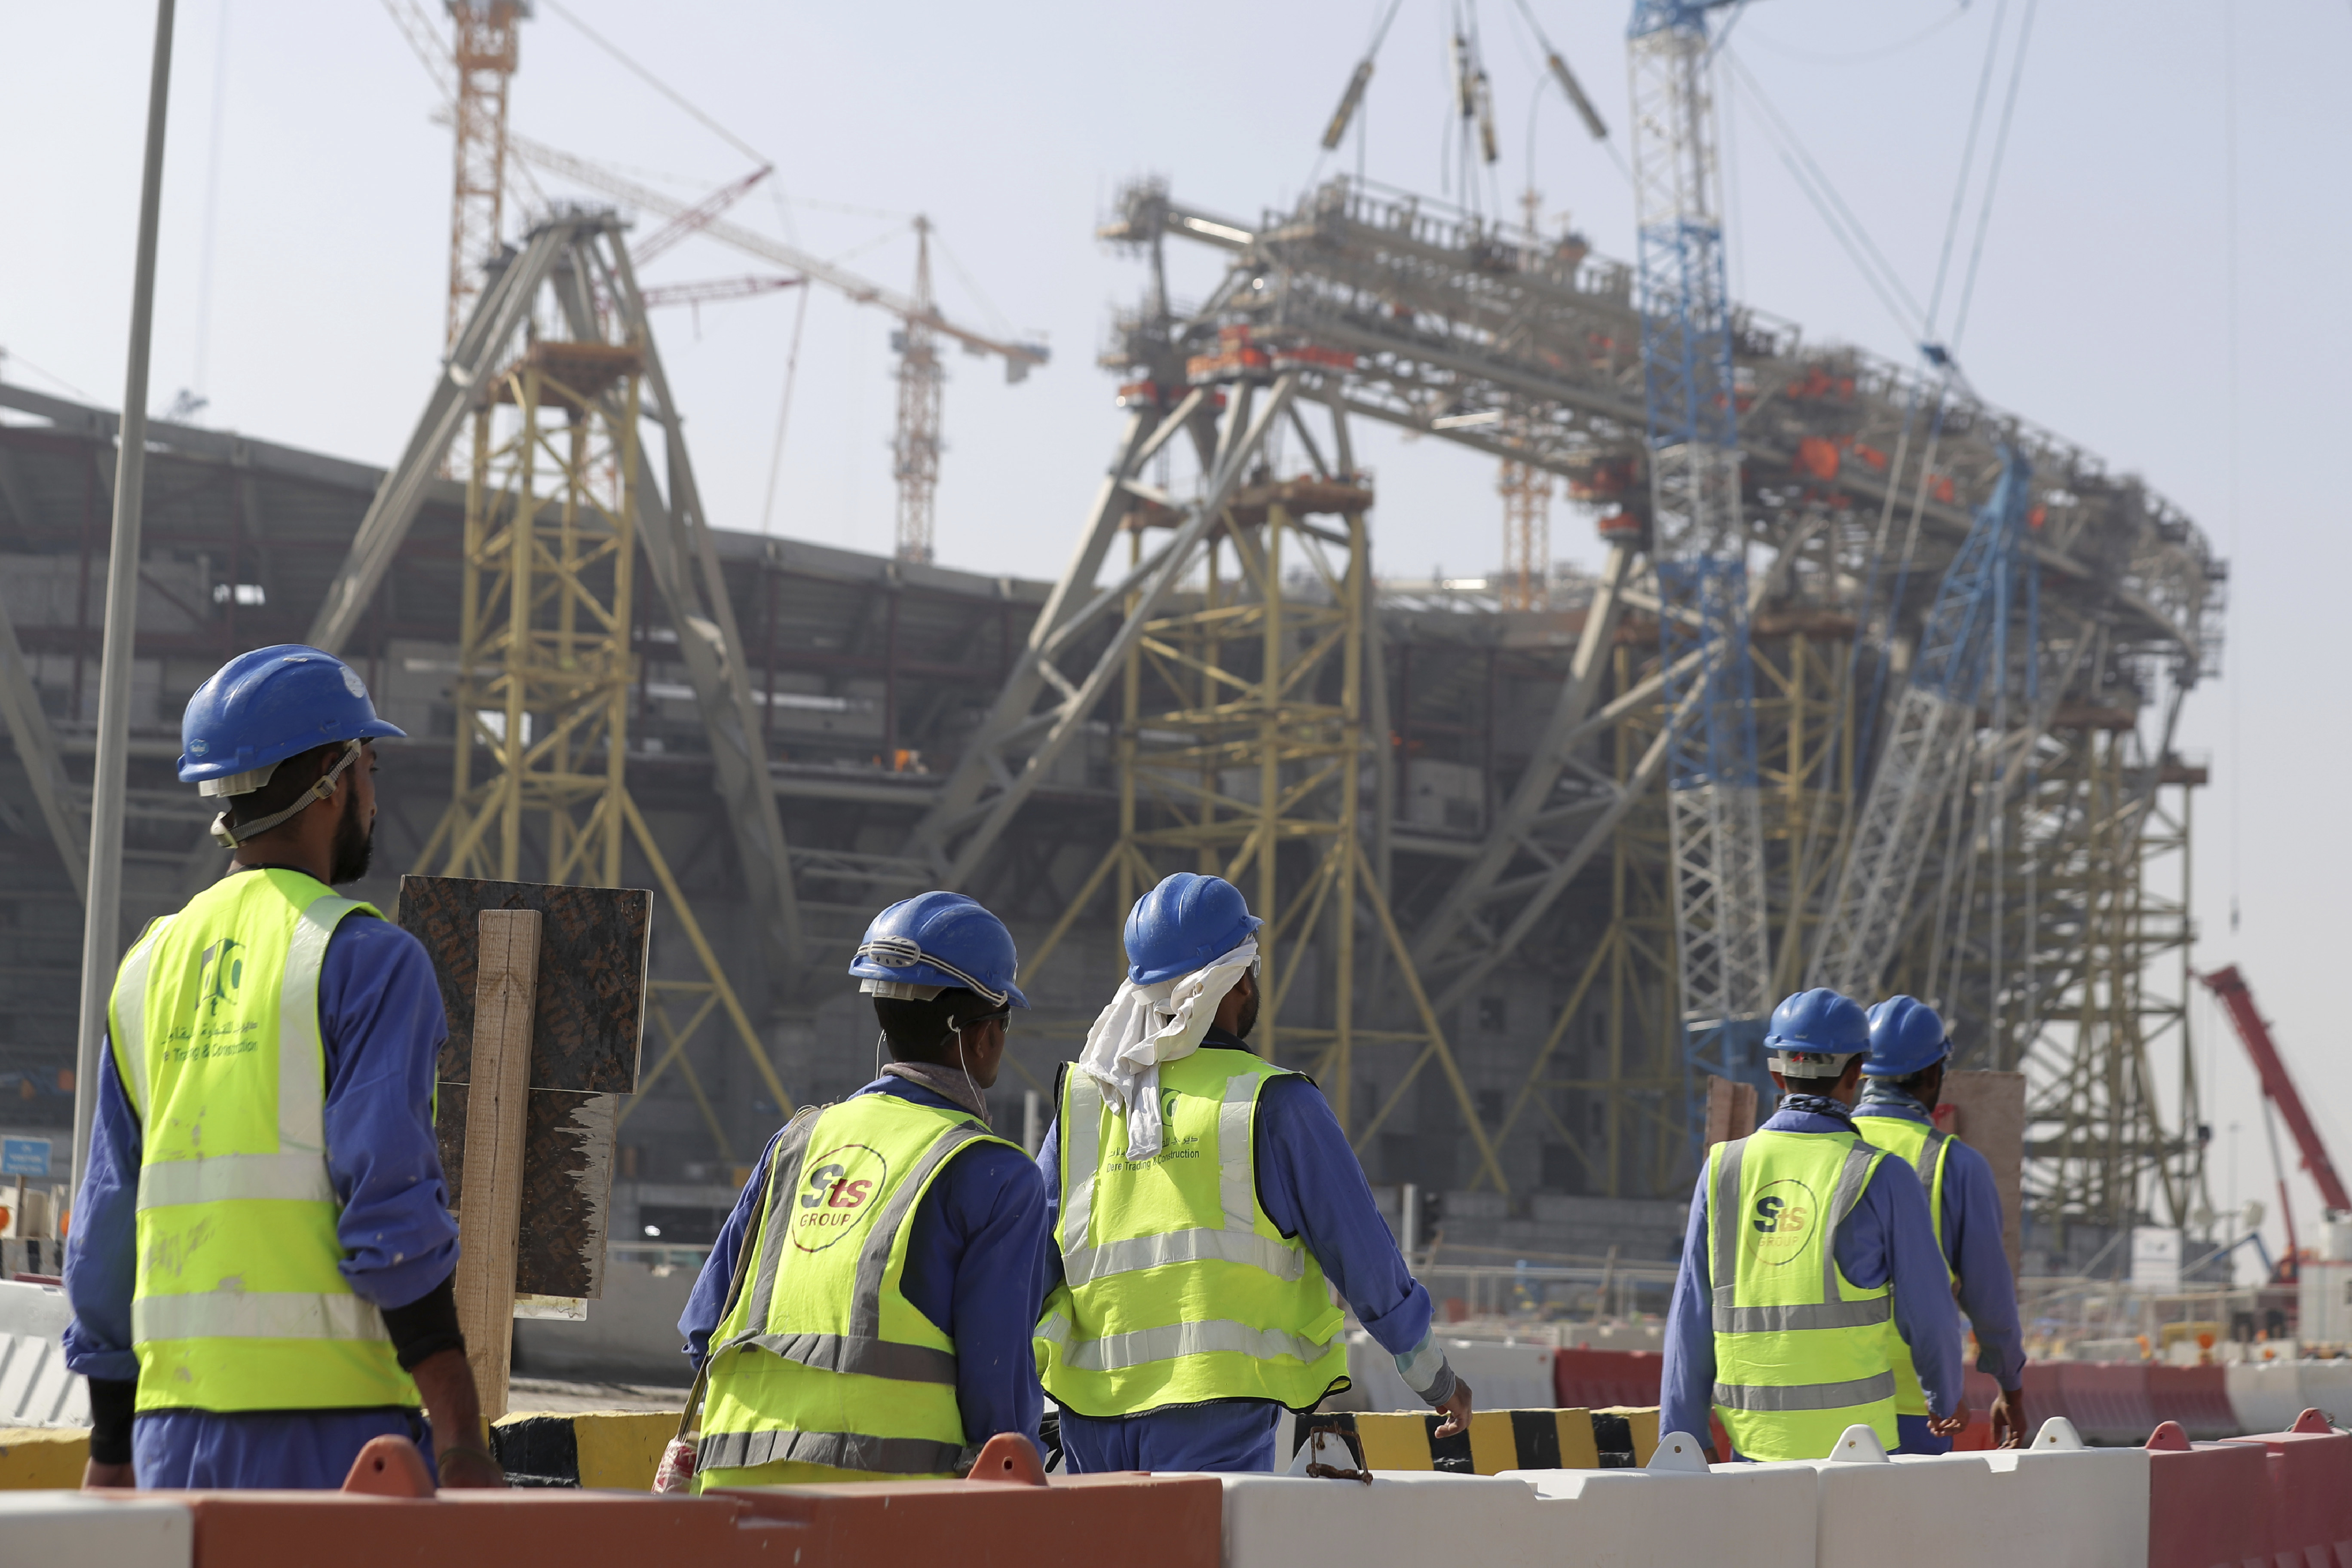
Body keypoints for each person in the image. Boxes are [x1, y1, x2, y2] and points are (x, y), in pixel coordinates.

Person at [62, 646, 501, 1490]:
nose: (376, 794)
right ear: (335, 781)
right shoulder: (368, 958)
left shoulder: (146, 969)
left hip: (168, 1440)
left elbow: (104, 1238)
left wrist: (111, 1450)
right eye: (370, 766)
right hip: (332, 1443)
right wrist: (459, 1432)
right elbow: (392, 1209)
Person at [1036, 872, 1473, 1473]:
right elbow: (1365, 1258)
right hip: (1217, 1406)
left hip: (1090, 1412)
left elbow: (1026, 1266)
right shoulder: (1273, 1105)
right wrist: (1434, 1377)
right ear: (1238, 982)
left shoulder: (1086, 1102)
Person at [676, 891, 1050, 1486]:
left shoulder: (795, 1144)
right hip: (887, 1514)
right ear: (983, 1037)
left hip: (732, 1501)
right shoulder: (995, 1175)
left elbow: (703, 1333)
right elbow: (998, 1404)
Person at [1660, 988, 1965, 1463]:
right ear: (1857, 1074)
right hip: (1859, 1449)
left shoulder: (1724, 1169)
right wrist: (1944, 1399)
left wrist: (1681, 1429)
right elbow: (1929, 1313)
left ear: (1776, 1072)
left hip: (1756, 1445)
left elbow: (1691, 1314)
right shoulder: (1882, 1175)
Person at [1853, 995, 2029, 1452]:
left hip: (1817, 1399)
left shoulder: (1826, 1149)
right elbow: (1990, 1297)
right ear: (1935, 1075)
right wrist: (2010, 1388)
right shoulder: (1954, 1164)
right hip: (1919, 1408)